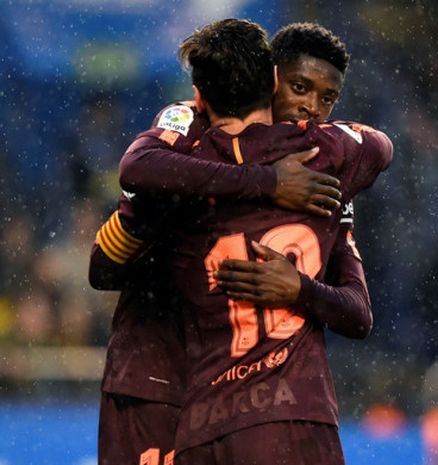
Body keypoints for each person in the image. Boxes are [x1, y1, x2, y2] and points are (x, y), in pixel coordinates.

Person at [90, 22, 376, 465]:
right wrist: (262, 182)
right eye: (300, 87)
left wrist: (301, 289)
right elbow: (103, 266)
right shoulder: (189, 135)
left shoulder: (322, 176)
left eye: (327, 98)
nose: (311, 107)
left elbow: (358, 312)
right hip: (155, 375)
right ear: (272, 80)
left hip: (230, 403)